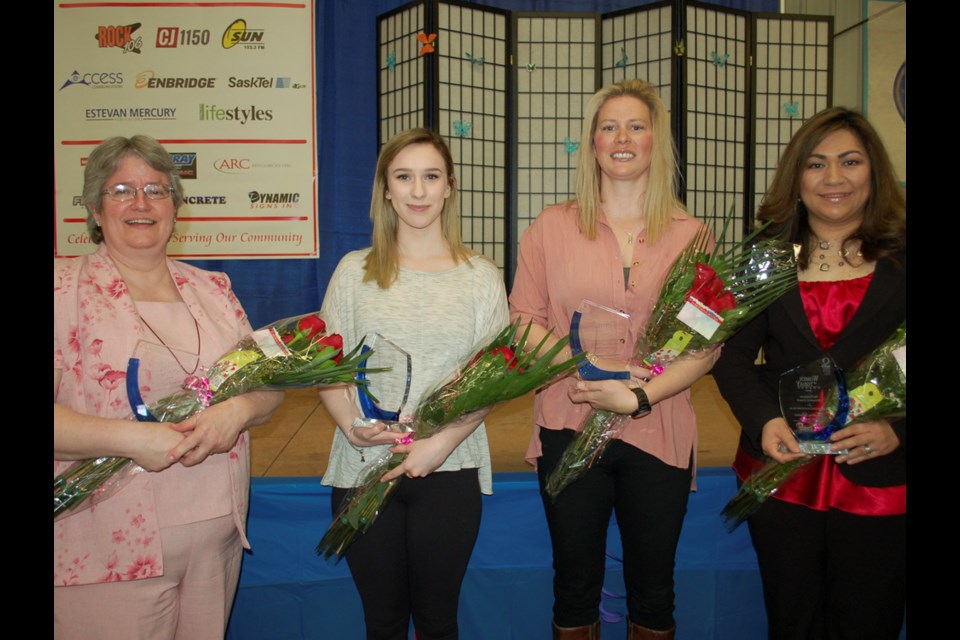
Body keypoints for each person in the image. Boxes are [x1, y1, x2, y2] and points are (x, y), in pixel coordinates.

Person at [509, 79, 716, 640]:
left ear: (656, 141)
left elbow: (706, 342)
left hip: (660, 425)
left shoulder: (694, 237)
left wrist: (640, 393)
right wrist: (592, 372)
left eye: (636, 126)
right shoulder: (551, 227)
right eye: (609, 126)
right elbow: (524, 320)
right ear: (592, 143)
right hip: (569, 420)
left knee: (655, 590)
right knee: (573, 585)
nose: (622, 137)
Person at [54, 135, 284, 638]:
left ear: (176, 208)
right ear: (94, 208)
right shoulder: (61, 289)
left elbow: (270, 386)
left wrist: (239, 411)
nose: (140, 203)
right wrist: (131, 439)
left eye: (156, 191)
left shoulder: (213, 288)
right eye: (121, 190)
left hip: (216, 538)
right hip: (105, 547)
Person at [712, 107, 906, 639]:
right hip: (783, 470)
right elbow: (731, 358)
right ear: (797, 176)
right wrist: (762, 422)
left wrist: (897, 431)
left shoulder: (903, 258)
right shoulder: (765, 256)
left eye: (850, 162)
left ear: (874, 172)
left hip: (880, 474)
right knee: (792, 618)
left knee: (871, 619)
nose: (834, 179)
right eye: (817, 164)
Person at [318, 128, 509, 640]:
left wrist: (438, 445)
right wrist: (351, 426)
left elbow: (490, 381)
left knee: (437, 621)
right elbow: (326, 369)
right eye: (404, 177)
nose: (418, 191)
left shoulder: (481, 277)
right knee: (381, 622)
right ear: (386, 188)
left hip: (449, 468)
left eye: (431, 177)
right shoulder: (353, 271)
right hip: (363, 468)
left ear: (450, 187)